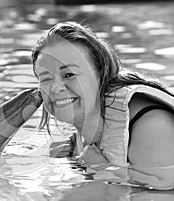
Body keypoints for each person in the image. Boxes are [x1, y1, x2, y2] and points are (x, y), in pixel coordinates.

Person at [31, 22, 174, 172]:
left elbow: (162, 195)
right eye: (46, 79)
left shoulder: (152, 128)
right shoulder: (82, 134)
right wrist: (74, 157)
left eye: (69, 75)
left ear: (100, 74)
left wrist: (101, 169)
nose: (55, 88)